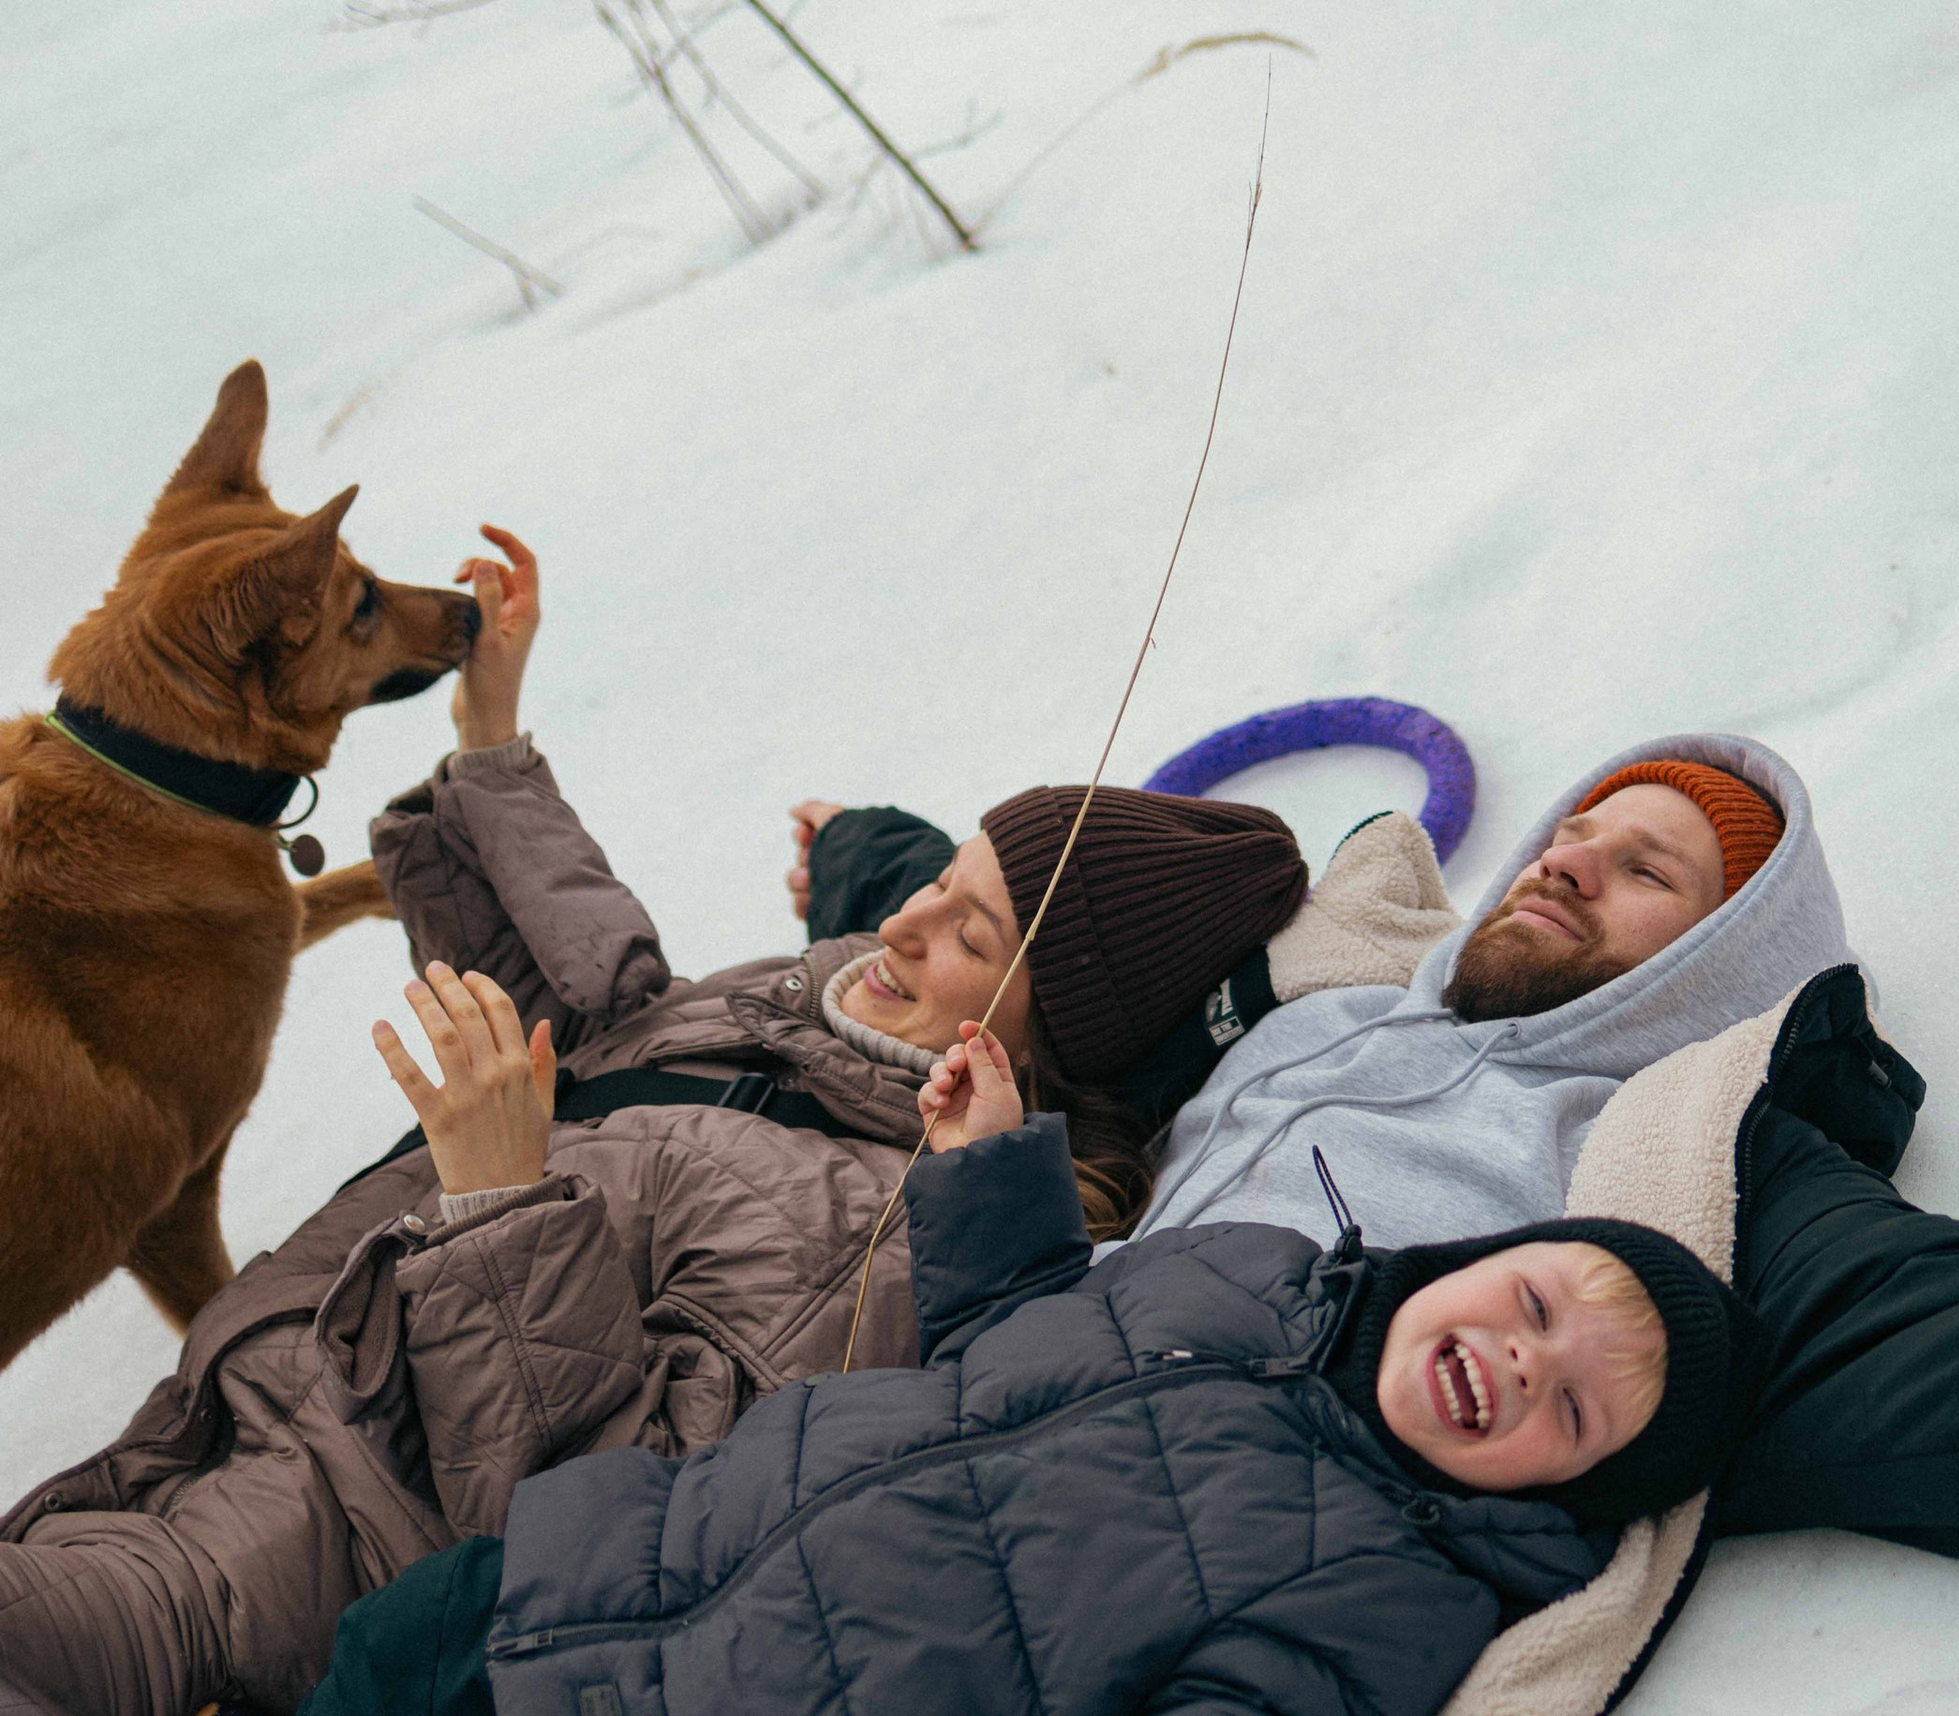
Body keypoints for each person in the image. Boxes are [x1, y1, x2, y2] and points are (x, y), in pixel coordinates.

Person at [0, 533, 1311, 1716]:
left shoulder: (884, 1228)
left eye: (969, 934)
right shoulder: (812, 1005)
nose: (904, 921)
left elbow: (613, 1516)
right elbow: (608, 1019)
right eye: (940, 879)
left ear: (1040, 1044)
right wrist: (492, 746)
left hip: (298, 1561)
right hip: (214, 1419)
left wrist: (498, 1207)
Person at [794, 742, 1959, 1583]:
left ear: (1715, 966)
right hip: (913, 1415)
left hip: (1119, 1546)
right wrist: (866, 861)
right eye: (1574, 831)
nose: (1565, 862)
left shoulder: (1668, 1158)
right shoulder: (1336, 994)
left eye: (1646, 873)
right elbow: (1077, 915)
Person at [295, 1021, 1761, 1716]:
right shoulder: (1256, 1268)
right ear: (1480, 1258)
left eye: (1574, 1409)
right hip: (583, 1568)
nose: (1519, 1361)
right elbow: (1023, 1327)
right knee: (365, 1666)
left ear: (1572, 1491)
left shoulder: (1399, 1591)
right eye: (1532, 1301)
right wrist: (990, 1166)